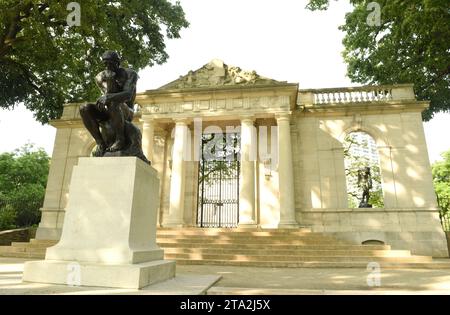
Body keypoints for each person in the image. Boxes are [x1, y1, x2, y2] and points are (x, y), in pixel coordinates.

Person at [79, 50, 138, 156]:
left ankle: (120, 139)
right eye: (105, 63)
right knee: (84, 108)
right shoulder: (100, 77)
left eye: (111, 63)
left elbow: (127, 95)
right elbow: (109, 92)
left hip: (127, 111)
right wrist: (109, 79)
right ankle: (100, 142)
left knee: (113, 101)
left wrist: (109, 87)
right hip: (109, 110)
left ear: (118, 63)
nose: (107, 66)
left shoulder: (130, 74)